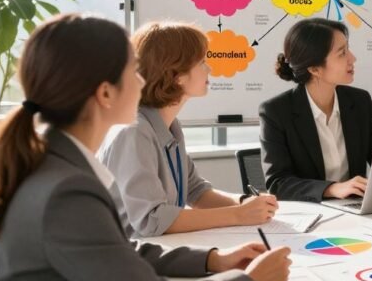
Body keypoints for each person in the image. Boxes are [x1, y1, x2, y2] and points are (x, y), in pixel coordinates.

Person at [0, 14, 292, 281]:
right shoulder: (65, 191)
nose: (143, 80)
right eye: (134, 71)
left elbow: (114, 251)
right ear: (104, 93)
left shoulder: (54, 165)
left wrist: (212, 259)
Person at [101, 22, 279, 237]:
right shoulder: (134, 132)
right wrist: (238, 214)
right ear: (176, 74)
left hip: (162, 249)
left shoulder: (170, 126)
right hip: (132, 258)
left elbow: (195, 191)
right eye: (202, 62)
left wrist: (245, 203)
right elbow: (151, 220)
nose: (209, 68)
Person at [260, 18, 372, 202]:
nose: (353, 58)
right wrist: (332, 189)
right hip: (311, 214)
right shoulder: (276, 111)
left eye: (348, 49)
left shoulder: (360, 101)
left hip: (357, 209)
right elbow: (278, 184)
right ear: (314, 69)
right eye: (342, 53)